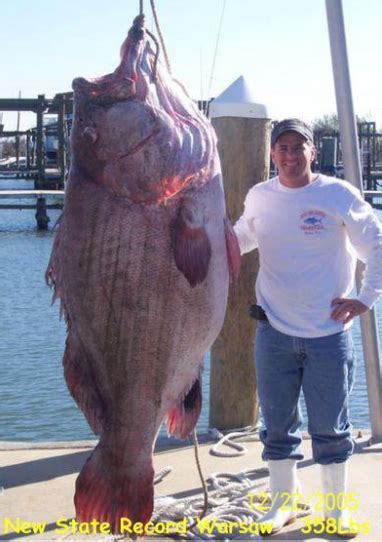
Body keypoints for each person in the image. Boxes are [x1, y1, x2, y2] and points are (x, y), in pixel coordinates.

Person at [234, 118, 382, 538]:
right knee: (277, 426)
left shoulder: (337, 194)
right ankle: (284, 503)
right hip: (273, 332)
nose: (290, 155)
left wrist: (365, 299)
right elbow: (242, 236)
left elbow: (377, 246)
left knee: (330, 429)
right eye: (282, 147)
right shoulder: (260, 197)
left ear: (313, 152)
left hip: (328, 337)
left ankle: (335, 510)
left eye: (298, 147)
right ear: (272, 153)